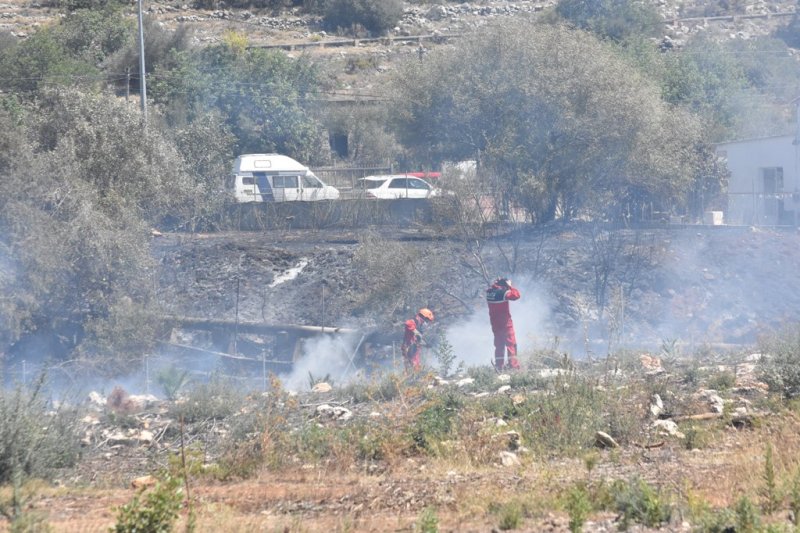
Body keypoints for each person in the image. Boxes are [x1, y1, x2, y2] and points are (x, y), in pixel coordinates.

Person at [486, 277, 521, 370]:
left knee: (499, 345)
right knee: (511, 345)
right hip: (505, 323)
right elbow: (516, 295)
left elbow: (493, 288)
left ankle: (499, 367)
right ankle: (513, 367)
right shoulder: (503, 293)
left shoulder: (489, 292)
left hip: (495, 324)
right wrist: (510, 286)